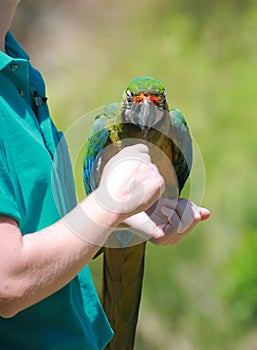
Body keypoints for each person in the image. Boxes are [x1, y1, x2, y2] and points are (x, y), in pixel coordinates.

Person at [0, 1, 210, 349]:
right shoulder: (104, 128)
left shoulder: (24, 79)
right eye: (135, 101)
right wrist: (110, 203)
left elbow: (46, 224)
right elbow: (7, 281)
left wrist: (130, 217)